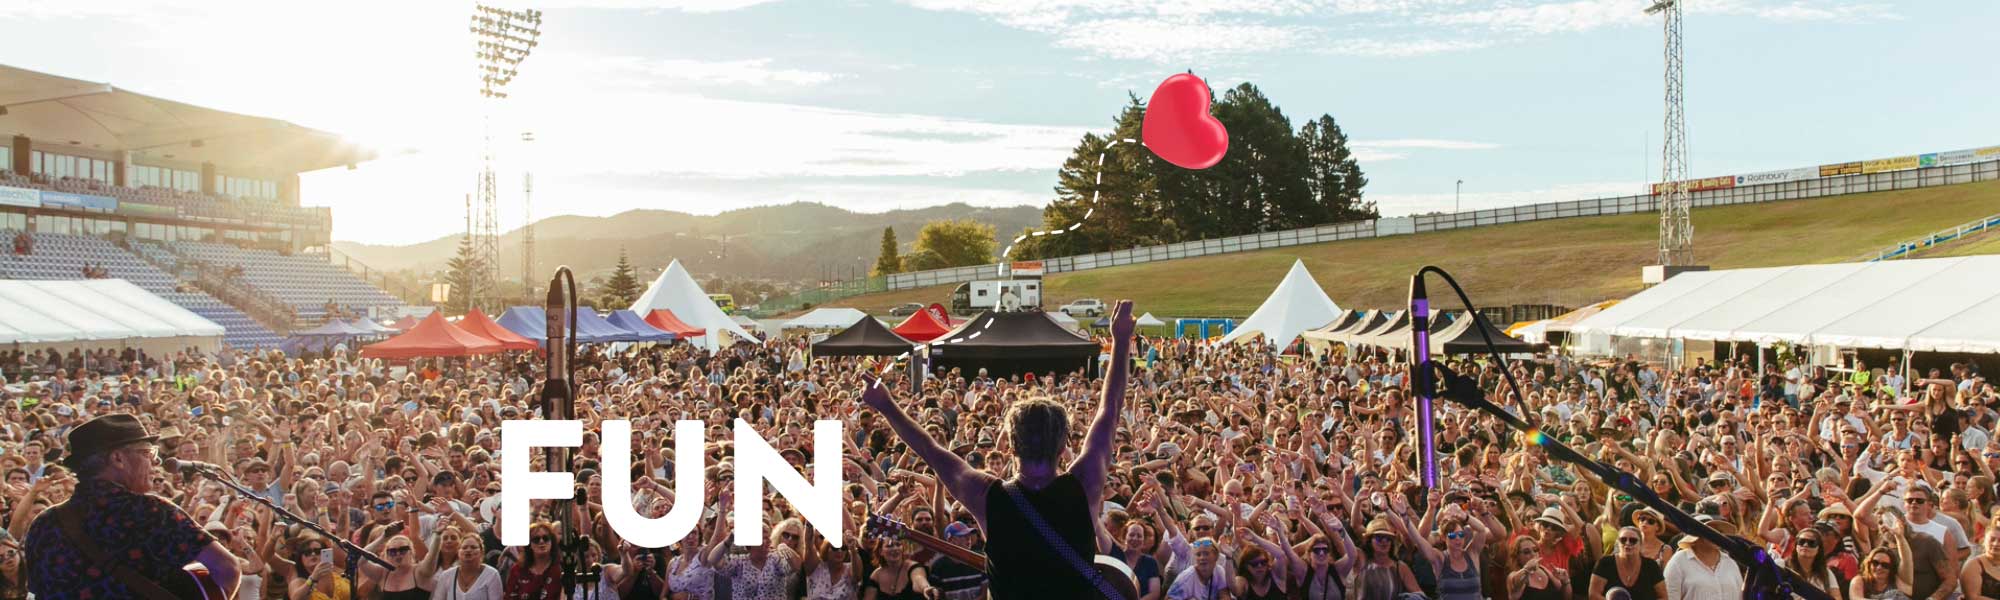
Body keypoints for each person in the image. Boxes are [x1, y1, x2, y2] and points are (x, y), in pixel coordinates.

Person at [859, 300, 1137, 599]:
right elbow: (1109, 411)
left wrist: (886, 405)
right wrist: (1120, 342)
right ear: (1064, 445)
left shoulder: (987, 496)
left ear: (1009, 444)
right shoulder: (1085, 484)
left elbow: (930, 449)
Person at [23, 413, 242, 599]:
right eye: (147, 453)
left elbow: (36, 590)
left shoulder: (44, 524)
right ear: (118, 458)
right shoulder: (152, 512)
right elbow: (226, 570)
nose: (155, 462)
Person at [1661, 516, 1741, 600]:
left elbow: (1740, 596)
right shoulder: (1679, 561)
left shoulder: (1730, 563)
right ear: (1695, 536)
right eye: (1709, 531)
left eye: (1719, 532)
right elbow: (1670, 596)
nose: (1716, 535)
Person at [1590, 526, 1664, 600]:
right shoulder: (1605, 563)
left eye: (1633, 540)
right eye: (1623, 540)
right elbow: (1593, 595)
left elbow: (1663, 597)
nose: (1627, 543)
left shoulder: (1651, 566)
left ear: (1641, 544)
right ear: (1617, 543)